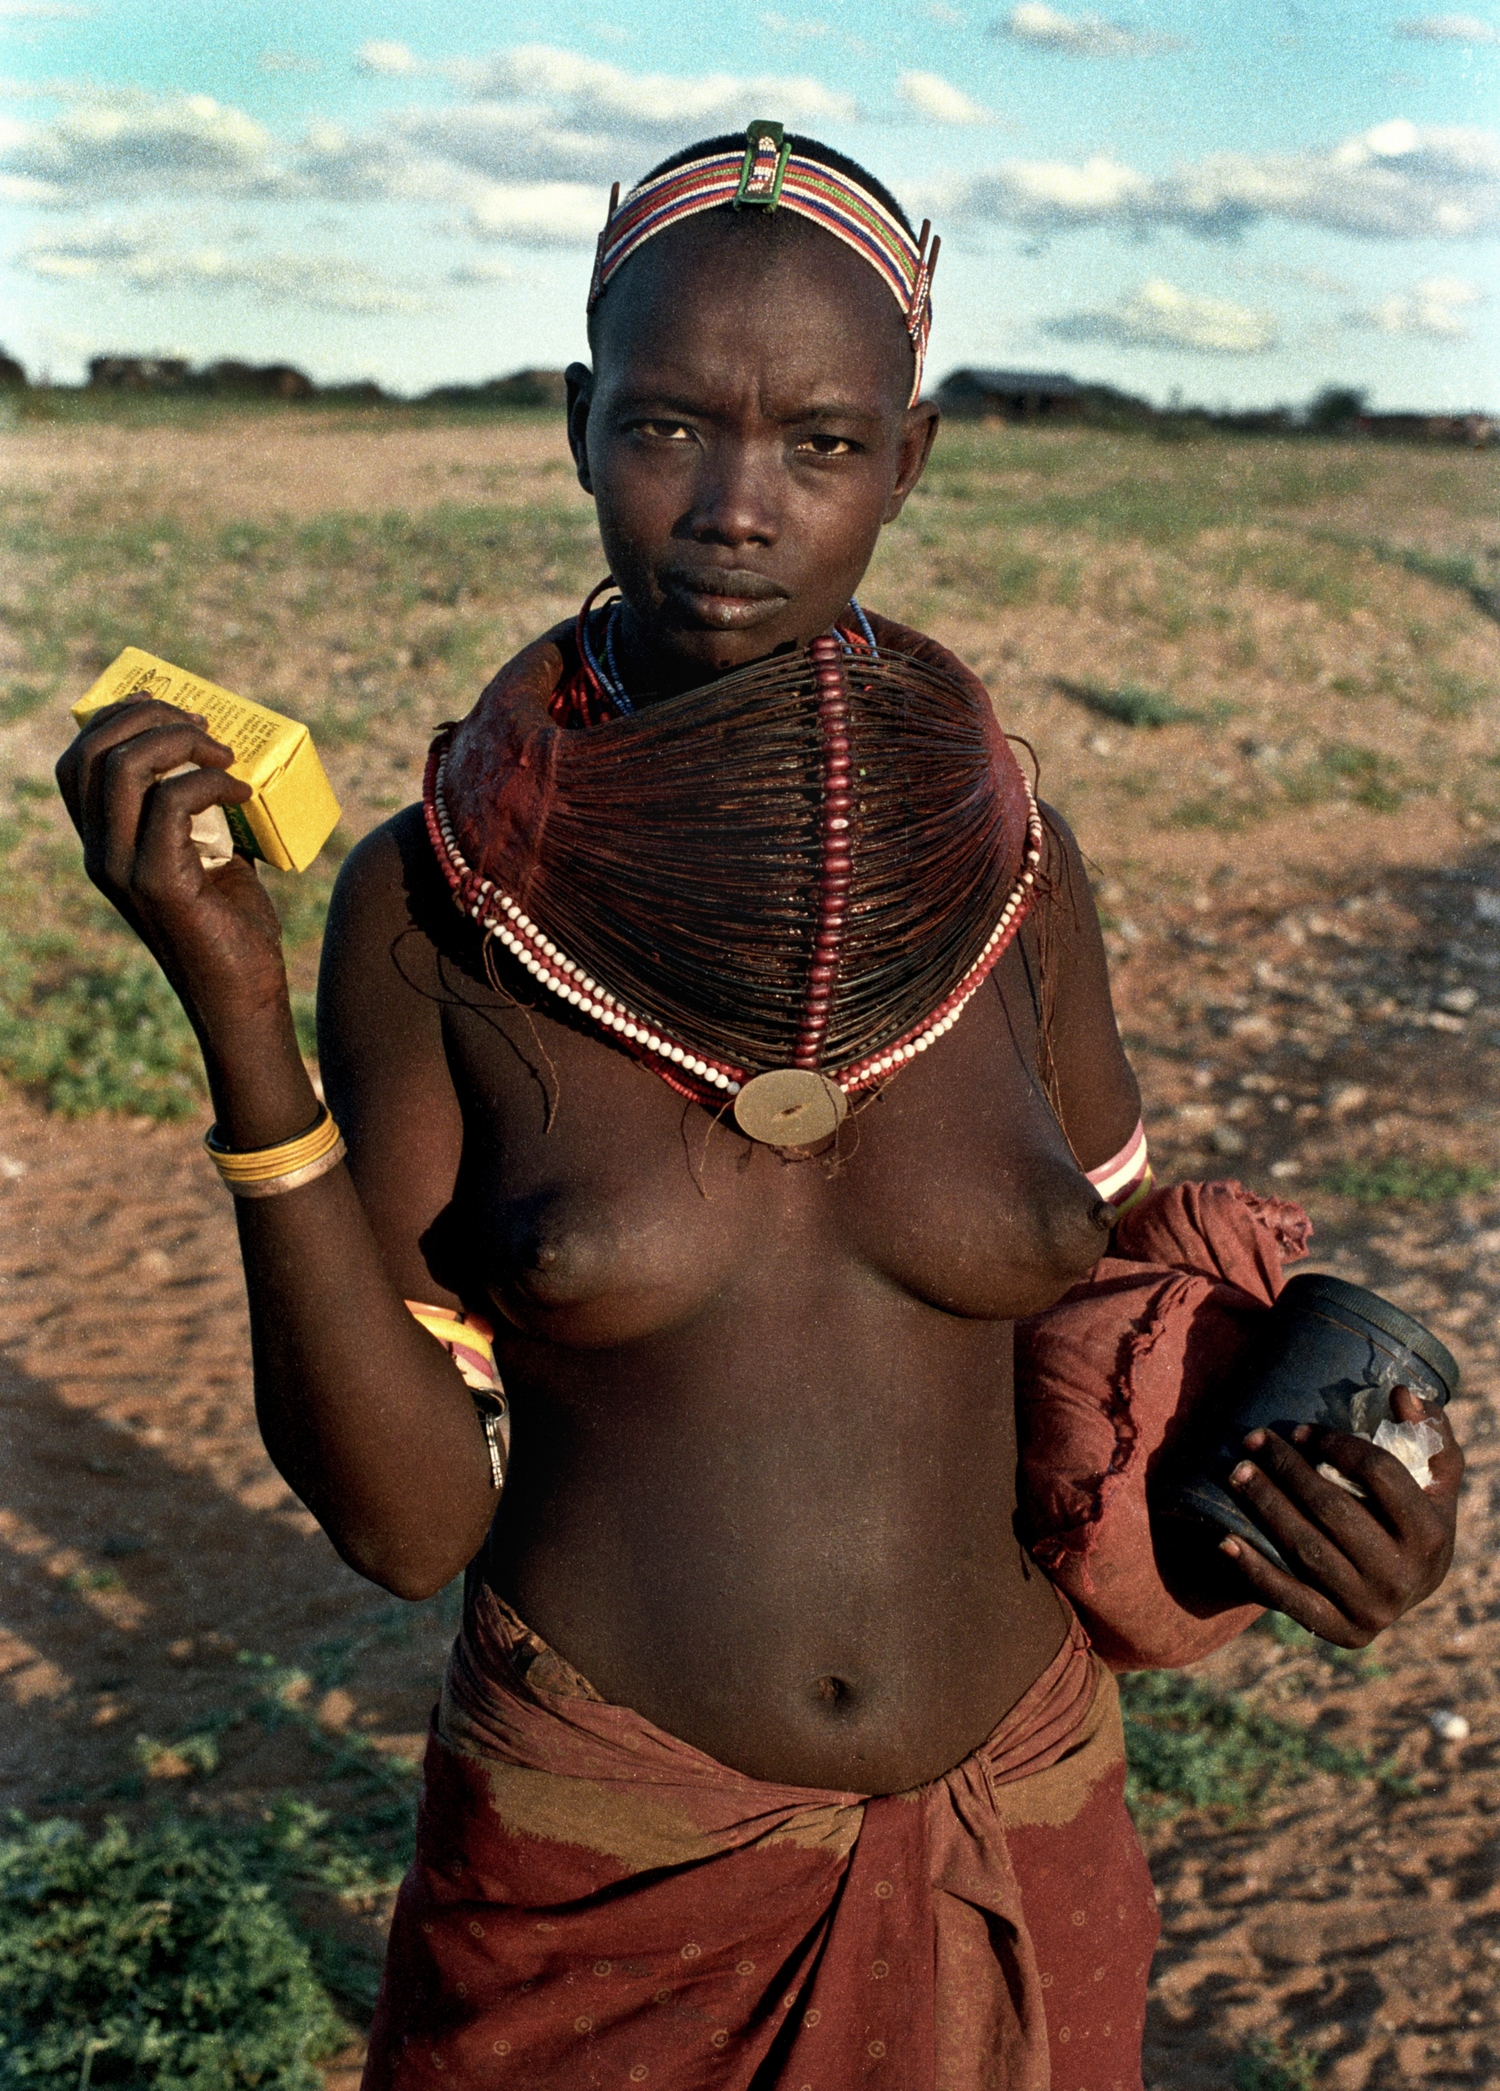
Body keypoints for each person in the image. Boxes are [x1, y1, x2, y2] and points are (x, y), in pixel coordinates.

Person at [59, 125, 1461, 2091]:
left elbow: (1120, 1303)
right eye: (666, 430)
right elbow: (404, 1522)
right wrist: (235, 1014)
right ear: (574, 422)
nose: (736, 506)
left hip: (1026, 1829)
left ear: (912, 458)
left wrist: (1335, 1470)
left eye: (818, 443)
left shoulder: (1016, 874)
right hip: (611, 1884)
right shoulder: (446, 903)